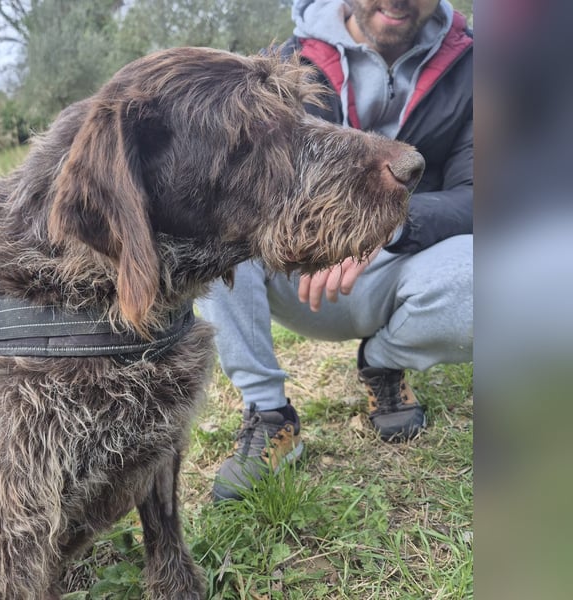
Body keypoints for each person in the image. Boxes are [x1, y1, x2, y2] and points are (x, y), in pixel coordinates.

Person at [197, 0, 473, 501]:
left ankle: (383, 359)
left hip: (405, 263)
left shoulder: (476, 66)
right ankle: (269, 412)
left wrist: (386, 228)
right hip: (301, 276)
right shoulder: (289, 61)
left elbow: (481, 191)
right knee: (212, 226)